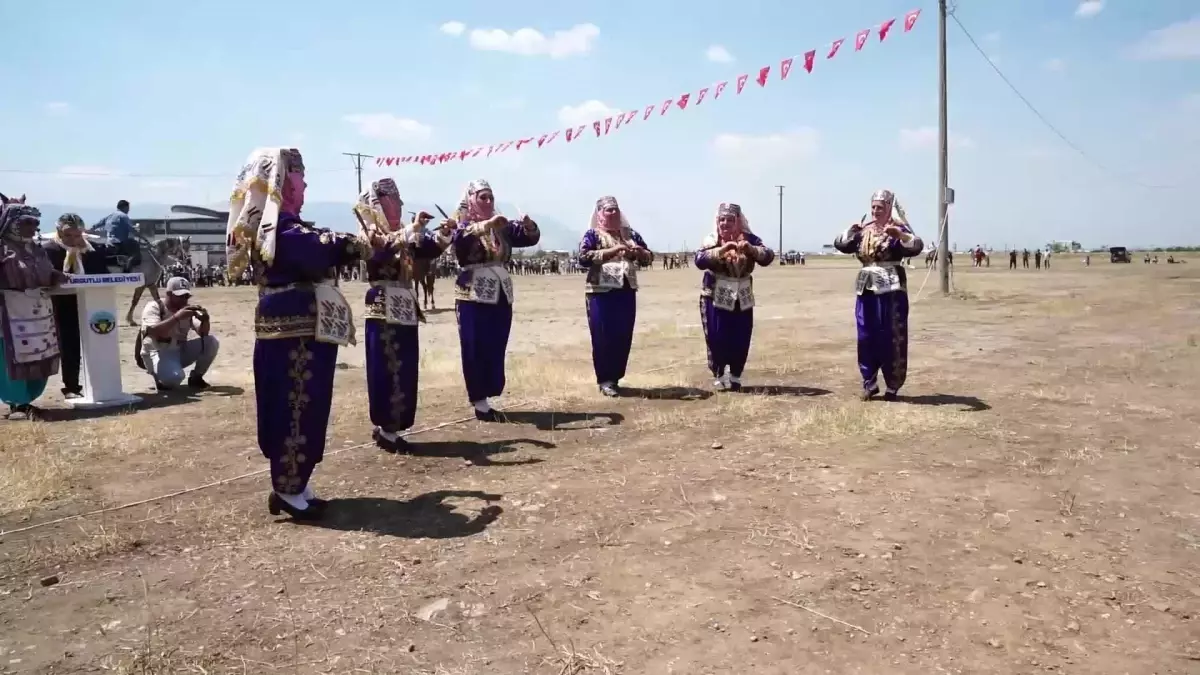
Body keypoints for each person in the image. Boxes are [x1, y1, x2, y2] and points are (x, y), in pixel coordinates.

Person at [226, 147, 370, 521]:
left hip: (302, 329)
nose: (304, 183)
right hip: (293, 334)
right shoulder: (280, 232)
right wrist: (354, 243)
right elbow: (318, 248)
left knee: (307, 403)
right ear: (282, 181)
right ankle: (288, 487)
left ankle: (296, 485)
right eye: (299, 175)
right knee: (296, 403)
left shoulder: (287, 228)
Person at [354, 178, 454, 452]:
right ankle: (385, 428)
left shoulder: (404, 232)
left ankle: (394, 426)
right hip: (383, 304)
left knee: (406, 367)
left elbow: (426, 247)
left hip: (406, 306)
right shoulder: (368, 230)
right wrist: (414, 228)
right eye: (393, 200)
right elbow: (382, 248)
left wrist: (443, 233)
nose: (398, 204)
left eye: (398, 200)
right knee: (386, 367)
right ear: (379, 203)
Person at [451, 179, 541, 421]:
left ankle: (488, 393)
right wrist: (485, 225)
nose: (489, 202)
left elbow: (528, 237)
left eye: (491, 197)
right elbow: (458, 238)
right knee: (475, 344)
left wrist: (530, 226)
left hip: (500, 290)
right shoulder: (462, 224)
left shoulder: (501, 225)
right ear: (471, 199)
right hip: (473, 292)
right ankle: (479, 401)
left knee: (496, 342)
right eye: (483, 197)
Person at [833, 189, 924, 401]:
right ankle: (869, 381)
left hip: (891, 291)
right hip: (866, 289)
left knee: (891, 335)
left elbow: (916, 246)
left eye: (880, 207)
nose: (875, 211)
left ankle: (892, 385)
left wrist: (900, 236)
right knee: (866, 334)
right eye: (873, 207)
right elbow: (841, 244)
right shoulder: (864, 229)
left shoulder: (898, 228)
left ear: (889, 208)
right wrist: (850, 230)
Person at [0, 195, 69, 420]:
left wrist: (55, 276)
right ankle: (17, 403)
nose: (33, 227)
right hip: (9, 315)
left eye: (34, 223)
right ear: (11, 223)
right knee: (11, 358)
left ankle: (26, 401)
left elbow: (46, 273)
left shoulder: (36, 249)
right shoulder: (2, 249)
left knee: (39, 355)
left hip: (38, 313)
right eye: (26, 223)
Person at [577, 196, 653, 397]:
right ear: (599, 214)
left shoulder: (630, 234)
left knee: (623, 334)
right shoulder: (593, 234)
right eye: (608, 210)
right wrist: (612, 251)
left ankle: (616, 377)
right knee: (603, 335)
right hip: (601, 292)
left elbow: (649, 257)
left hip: (626, 290)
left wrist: (640, 252)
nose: (613, 213)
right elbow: (583, 257)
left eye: (615, 210)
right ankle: (604, 379)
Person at [694, 203, 775, 391]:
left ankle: (736, 375)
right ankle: (720, 374)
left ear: (738, 221)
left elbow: (768, 256)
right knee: (717, 335)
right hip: (715, 294)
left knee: (741, 335)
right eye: (722, 220)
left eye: (730, 220)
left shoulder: (749, 238)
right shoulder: (712, 239)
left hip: (742, 295)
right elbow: (699, 260)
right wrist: (722, 250)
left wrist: (751, 250)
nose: (725, 223)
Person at [43, 213, 112, 398]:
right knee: (69, 343)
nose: (73, 240)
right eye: (68, 235)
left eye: (77, 235)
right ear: (59, 232)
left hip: (93, 302)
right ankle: (71, 386)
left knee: (98, 339)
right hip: (63, 302)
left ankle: (99, 382)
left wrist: (88, 253)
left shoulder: (93, 249)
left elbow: (103, 274)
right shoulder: (49, 250)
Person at [138, 276, 219, 390]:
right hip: (158, 352)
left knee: (211, 342)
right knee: (174, 379)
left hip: (179, 350)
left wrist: (205, 320)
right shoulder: (155, 306)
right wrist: (177, 317)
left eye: (186, 296)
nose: (184, 299)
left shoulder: (186, 309)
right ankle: (159, 376)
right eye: (180, 296)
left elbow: (202, 333)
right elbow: (153, 331)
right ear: (169, 294)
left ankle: (196, 377)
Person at [94, 199, 140, 272]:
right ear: (124, 207)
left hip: (109, 242)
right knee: (135, 245)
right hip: (119, 243)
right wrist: (140, 234)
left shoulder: (110, 215)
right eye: (128, 209)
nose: (128, 211)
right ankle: (128, 268)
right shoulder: (124, 216)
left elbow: (96, 225)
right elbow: (132, 230)